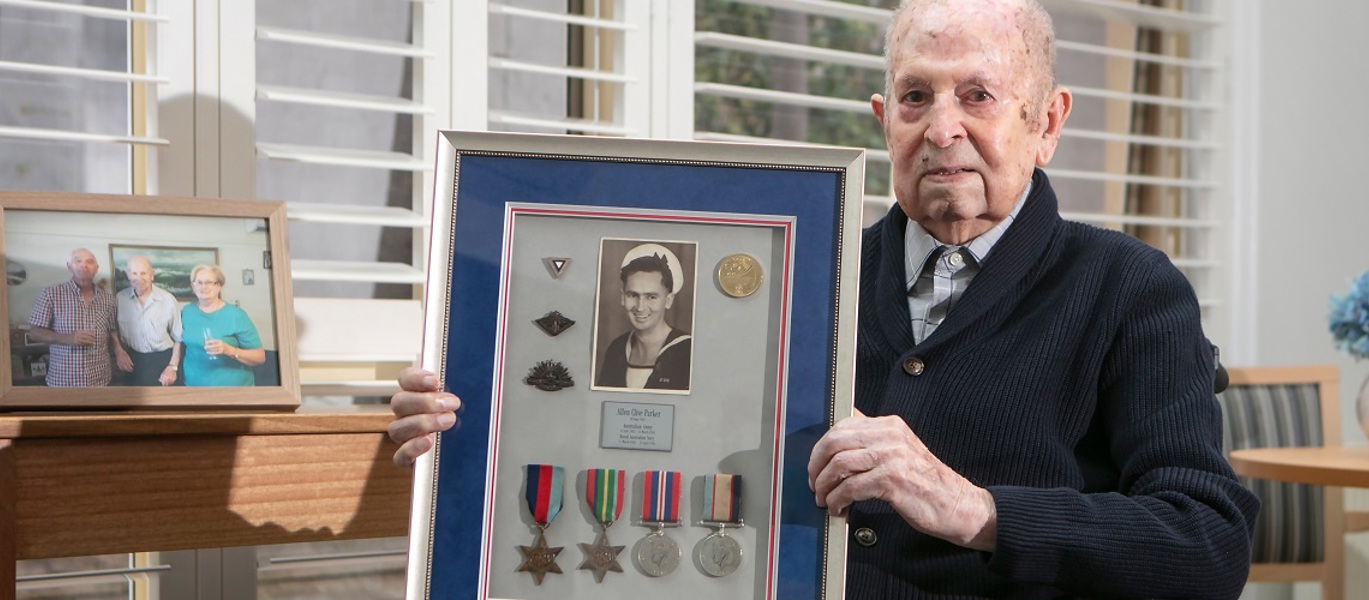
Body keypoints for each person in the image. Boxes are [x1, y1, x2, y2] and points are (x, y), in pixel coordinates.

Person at [389, 0, 1257, 596]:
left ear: (1049, 122)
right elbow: (637, 419)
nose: (942, 125)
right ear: (884, 118)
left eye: (979, 95)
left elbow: (1207, 544)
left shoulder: (1131, 292)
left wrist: (978, 511)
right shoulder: (798, 269)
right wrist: (480, 413)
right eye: (916, 95)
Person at [592, 244, 692, 390]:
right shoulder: (617, 349)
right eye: (632, 295)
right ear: (622, 297)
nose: (640, 307)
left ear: (669, 300)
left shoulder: (687, 351)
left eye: (651, 297)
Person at [27, 248, 124, 387]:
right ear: (69, 266)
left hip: (101, 380)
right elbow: (34, 332)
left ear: (96, 268)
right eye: (78, 261)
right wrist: (67, 338)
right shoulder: (51, 294)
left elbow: (111, 330)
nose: (84, 265)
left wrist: (119, 350)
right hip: (63, 381)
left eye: (89, 262)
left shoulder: (108, 299)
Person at [179, 264, 266, 386]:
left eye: (209, 282)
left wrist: (229, 350)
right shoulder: (186, 312)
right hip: (194, 387)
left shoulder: (236, 315)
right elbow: (177, 341)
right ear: (193, 286)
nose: (203, 286)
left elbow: (260, 357)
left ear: (219, 286)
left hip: (233, 390)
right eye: (199, 282)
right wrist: (172, 367)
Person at [114, 256, 184, 386]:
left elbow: (178, 338)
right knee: (134, 404)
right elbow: (112, 329)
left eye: (143, 273)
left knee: (163, 404)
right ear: (128, 275)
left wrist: (172, 367)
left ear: (152, 275)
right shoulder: (120, 299)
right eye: (134, 273)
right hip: (133, 360)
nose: (139, 278)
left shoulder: (168, 300)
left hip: (163, 361)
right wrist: (119, 351)